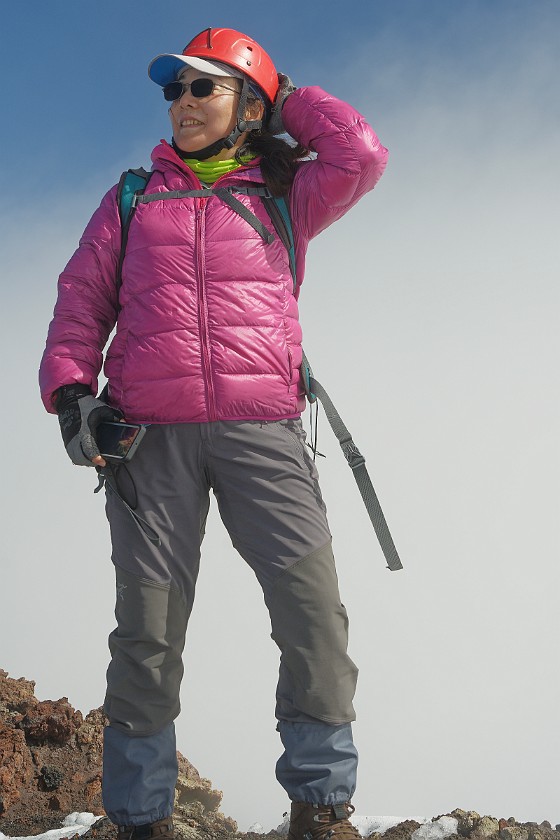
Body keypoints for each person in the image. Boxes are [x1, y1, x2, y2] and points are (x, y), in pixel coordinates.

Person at [39, 27, 389, 840]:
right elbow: (80, 304)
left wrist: (284, 93)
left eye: (204, 87)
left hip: (262, 433)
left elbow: (361, 154)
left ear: (248, 104)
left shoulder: (284, 194)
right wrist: (71, 395)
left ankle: (321, 804)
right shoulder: (132, 198)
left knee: (312, 615)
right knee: (147, 634)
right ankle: (140, 818)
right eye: (175, 90)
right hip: (146, 441)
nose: (184, 103)